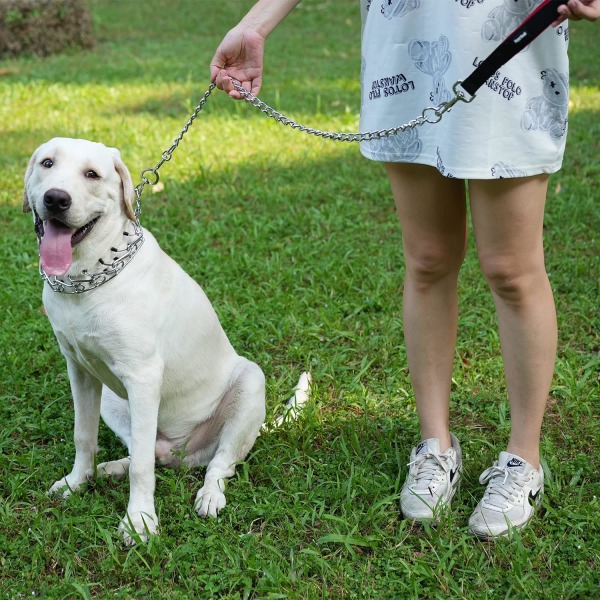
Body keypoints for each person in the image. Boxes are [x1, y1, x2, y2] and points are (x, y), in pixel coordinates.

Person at [209, 0, 599, 539]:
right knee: (428, 259)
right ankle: (435, 443)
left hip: (515, 43)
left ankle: (523, 458)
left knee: (511, 268)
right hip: (406, 49)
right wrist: (254, 25)